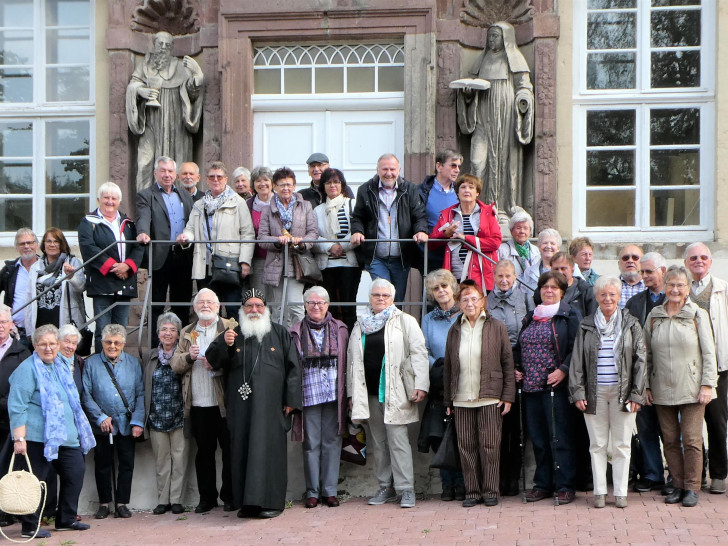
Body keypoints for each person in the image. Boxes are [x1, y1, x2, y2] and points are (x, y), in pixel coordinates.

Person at [206, 288, 302, 519]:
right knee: (241, 451)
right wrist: (223, 345)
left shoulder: (280, 333)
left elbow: (294, 369)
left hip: (271, 408)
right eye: (249, 306)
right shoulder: (232, 335)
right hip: (241, 409)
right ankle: (246, 503)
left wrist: (290, 401)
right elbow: (212, 360)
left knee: (269, 452)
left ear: (266, 309)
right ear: (242, 310)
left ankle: (271, 503)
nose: (254, 310)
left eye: (259, 305)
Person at [347, 279, 429, 509]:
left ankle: (406, 489)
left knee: (398, 440)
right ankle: (386, 486)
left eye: (385, 295)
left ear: (392, 298)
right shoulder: (360, 324)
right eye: (376, 295)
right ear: (370, 298)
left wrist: (420, 384)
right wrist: (352, 393)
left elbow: (419, 353)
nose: (380, 299)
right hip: (369, 393)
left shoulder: (404, 321)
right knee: (379, 442)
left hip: (396, 392)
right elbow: (352, 361)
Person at [8, 324, 94, 538]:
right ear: (35, 345)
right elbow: (17, 405)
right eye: (43, 344)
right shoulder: (27, 369)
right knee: (35, 481)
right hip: (37, 437)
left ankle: (66, 519)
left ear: (58, 344)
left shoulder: (62, 365)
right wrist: (19, 438)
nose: (48, 348)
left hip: (67, 436)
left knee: (75, 473)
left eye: (52, 344)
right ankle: (29, 526)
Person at [570, 276, 646, 509]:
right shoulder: (586, 324)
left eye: (612, 294)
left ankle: (621, 492)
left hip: (622, 392)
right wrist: (578, 392)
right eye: (603, 294)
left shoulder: (631, 324)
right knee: (598, 444)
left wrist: (636, 394)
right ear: (597, 297)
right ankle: (600, 492)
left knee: (622, 444)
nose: (608, 298)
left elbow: (640, 360)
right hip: (595, 392)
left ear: (618, 296)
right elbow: (577, 361)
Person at [644, 265, 717, 507]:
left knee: (693, 439)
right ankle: (676, 484)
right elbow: (646, 354)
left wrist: (707, 384)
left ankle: (692, 487)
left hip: (693, 388)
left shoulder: (697, 315)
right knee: (671, 440)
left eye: (680, 285)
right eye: (671, 284)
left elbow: (709, 353)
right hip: (661, 387)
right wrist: (646, 386)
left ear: (687, 289)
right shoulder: (654, 315)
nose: (675, 289)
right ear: (664, 287)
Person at [443, 279, 515, 507]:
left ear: (483, 301)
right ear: (459, 303)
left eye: (474, 298)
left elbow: (507, 362)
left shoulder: (496, 326)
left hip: (490, 396)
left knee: (490, 445)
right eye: (465, 299)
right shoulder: (454, 329)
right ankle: (472, 492)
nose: (470, 303)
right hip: (462, 397)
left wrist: (508, 396)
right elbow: (448, 367)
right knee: (466, 446)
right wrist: (448, 398)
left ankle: (491, 491)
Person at [514, 271, 581, 505]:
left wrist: (563, 369)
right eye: (545, 287)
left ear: (562, 292)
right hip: (531, 387)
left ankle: (565, 485)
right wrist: (517, 367)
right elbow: (519, 346)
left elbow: (577, 349)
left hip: (556, 387)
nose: (549, 291)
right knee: (539, 439)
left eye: (554, 287)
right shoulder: (530, 317)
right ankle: (543, 484)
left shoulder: (569, 315)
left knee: (559, 438)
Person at [456, 21, 534, 215]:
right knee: (476, 162)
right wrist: (467, 94)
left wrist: (523, 100)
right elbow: (472, 86)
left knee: (503, 163)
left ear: (506, 38)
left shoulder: (514, 59)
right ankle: (476, 209)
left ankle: (501, 211)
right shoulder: (481, 61)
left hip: (505, 119)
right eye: (489, 36)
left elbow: (524, 86)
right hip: (482, 117)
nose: (491, 40)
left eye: (495, 36)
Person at [170, 289, 234, 513]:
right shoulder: (187, 331)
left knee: (229, 452)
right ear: (195, 307)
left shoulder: (229, 327)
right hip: (197, 404)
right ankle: (206, 498)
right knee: (204, 453)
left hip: (223, 403)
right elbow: (175, 363)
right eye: (201, 302)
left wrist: (216, 366)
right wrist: (190, 357)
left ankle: (230, 496)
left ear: (218, 306)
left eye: (210, 302)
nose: (205, 305)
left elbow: (238, 360)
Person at [289, 287, 348, 509]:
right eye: (312, 303)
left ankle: (330, 491)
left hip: (334, 394)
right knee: (311, 444)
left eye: (321, 302)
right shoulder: (294, 331)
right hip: (309, 395)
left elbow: (347, 362)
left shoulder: (341, 329)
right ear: (305, 306)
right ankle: (312, 492)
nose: (316, 306)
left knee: (333, 442)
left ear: (328, 305)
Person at [126, 31, 204, 191]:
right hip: (151, 123)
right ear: (154, 45)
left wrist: (197, 75)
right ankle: (144, 205)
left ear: (172, 48)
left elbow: (192, 92)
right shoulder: (145, 66)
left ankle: (179, 203)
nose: (163, 48)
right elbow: (133, 85)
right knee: (144, 163)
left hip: (176, 124)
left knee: (179, 163)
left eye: (167, 45)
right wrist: (141, 91)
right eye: (160, 44)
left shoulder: (180, 68)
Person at [177, 161, 255, 319]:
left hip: (229, 264)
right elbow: (190, 228)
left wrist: (245, 261)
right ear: (206, 179)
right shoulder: (199, 204)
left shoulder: (238, 203)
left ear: (226, 179)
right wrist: (186, 237)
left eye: (219, 176)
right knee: (208, 311)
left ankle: (234, 344)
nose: (216, 180)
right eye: (212, 177)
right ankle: (213, 343)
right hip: (205, 264)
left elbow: (248, 234)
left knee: (233, 311)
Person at [82, 324, 145, 519]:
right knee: (102, 464)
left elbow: (140, 393)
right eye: (108, 342)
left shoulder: (133, 363)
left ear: (123, 344)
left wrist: (137, 421)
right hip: (103, 425)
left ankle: (122, 503)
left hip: (126, 424)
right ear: (101, 342)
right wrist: (100, 417)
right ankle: (104, 504)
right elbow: (86, 394)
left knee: (127, 464)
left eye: (117, 342)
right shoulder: (91, 363)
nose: (112, 346)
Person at [350, 154, 429, 304]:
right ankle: (381, 327)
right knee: (382, 296)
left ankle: (394, 327)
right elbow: (358, 217)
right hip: (376, 257)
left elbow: (419, 216)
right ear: (377, 170)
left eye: (392, 169)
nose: (388, 173)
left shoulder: (410, 189)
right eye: (384, 169)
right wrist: (357, 231)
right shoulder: (365, 189)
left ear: (399, 170)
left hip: (401, 257)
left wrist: (421, 231)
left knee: (397, 300)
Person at [78, 182, 144, 353]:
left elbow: (138, 247)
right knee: (103, 330)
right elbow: (88, 248)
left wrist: (128, 267)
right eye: (106, 197)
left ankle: (118, 363)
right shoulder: (88, 222)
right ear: (99, 199)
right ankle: (101, 365)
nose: (109, 201)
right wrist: (114, 267)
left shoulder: (128, 223)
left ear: (119, 201)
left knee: (121, 330)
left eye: (113, 198)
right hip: (102, 282)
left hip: (124, 282)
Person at [684, 243, 728, 495]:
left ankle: (719, 474)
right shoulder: (683, 289)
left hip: (719, 366)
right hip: (689, 367)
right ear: (687, 262)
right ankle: (696, 474)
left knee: (716, 421)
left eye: (703, 257)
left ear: (710, 261)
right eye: (693, 258)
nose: (698, 261)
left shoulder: (723, 288)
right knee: (691, 424)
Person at [136, 156, 194, 345]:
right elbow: (143, 217)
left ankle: (182, 346)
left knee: (182, 305)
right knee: (156, 304)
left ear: (175, 174)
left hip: (183, 255)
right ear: (155, 173)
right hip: (160, 255)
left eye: (170, 171)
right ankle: (155, 348)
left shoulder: (185, 195)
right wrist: (143, 232)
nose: (167, 175)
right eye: (163, 171)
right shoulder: (146, 195)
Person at [418, 270, 465, 501]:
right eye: (436, 288)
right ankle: (448, 485)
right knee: (441, 435)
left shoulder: (464, 313)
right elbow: (423, 350)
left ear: (453, 287)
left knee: (463, 435)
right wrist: (438, 367)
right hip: (438, 380)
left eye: (445, 286)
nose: (441, 291)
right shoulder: (427, 319)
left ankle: (464, 482)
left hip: (464, 379)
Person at [486, 260, 531, 496]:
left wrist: (519, 366)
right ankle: (498, 477)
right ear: (494, 276)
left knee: (518, 428)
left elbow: (529, 333)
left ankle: (513, 477)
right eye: (500, 276)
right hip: (494, 364)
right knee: (498, 427)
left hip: (519, 362)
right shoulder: (487, 300)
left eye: (508, 276)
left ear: (515, 277)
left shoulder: (525, 299)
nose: (504, 281)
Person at [625, 252, 668, 493]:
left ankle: (677, 475)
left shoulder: (675, 298)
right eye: (642, 272)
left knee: (672, 430)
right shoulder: (635, 303)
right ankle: (653, 474)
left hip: (668, 374)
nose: (644, 276)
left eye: (649, 272)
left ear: (662, 271)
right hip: (641, 375)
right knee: (646, 427)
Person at [258, 167, 319, 327]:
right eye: (281, 185)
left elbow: (313, 233)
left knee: (296, 307)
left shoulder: (305, 206)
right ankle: (279, 346)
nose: (286, 188)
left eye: (289, 184)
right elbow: (262, 238)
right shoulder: (267, 209)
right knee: (277, 310)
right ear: (274, 187)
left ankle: (298, 344)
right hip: (275, 265)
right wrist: (278, 240)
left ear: (294, 186)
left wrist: (302, 241)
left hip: (296, 264)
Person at [142, 313, 186, 515]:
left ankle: (176, 499)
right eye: (164, 329)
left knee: (179, 459)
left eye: (172, 330)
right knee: (161, 460)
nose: (167, 333)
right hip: (156, 415)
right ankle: (163, 500)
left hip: (179, 415)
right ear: (158, 333)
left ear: (178, 334)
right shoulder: (149, 357)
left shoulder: (182, 355)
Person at [429, 174, 501, 292]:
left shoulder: (487, 213)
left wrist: (466, 239)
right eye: (463, 187)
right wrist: (445, 234)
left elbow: (495, 242)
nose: (467, 190)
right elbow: (432, 243)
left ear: (477, 192)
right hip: (454, 272)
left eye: (471, 187)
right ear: (457, 192)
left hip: (481, 273)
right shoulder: (447, 214)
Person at [312, 168, 360, 331]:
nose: (332, 185)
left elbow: (358, 230)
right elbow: (313, 236)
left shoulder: (352, 204)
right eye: (328, 182)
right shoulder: (317, 210)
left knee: (348, 307)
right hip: (327, 266)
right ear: (323, 186)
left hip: (349, 264)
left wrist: (343, 246)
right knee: (329, 308)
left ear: (342, 185)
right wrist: (330, 247)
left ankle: (350, 345)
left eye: (336, 182)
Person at [24, 227, 85, 339]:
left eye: (56, 241)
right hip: (41, 321)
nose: (52, 245)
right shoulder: (36, 267)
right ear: (43, 245)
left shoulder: (72, 262)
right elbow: (29, 299)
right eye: (49, 241)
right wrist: (29, 329)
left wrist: (71, 276)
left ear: (62, 244)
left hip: (63, 320)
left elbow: (81, 287)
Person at [0, 304, 30, 527]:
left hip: (11, 420)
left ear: (11, 325)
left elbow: (26, 386)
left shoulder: (22, 353)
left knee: (8, 467)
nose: (0, 327)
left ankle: (7, 511)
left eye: (3, 322)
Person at [419, 150, 463, 270]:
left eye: (459, 166)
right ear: (439, 166)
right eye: (453, 165)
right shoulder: (420, 191)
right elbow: (416, 219)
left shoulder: (462, 192)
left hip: (456, 252)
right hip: (430, 252)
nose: (457, 170)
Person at [0, 228, 40, 348]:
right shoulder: (10, 269)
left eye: (30, 242)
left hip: (42, 332)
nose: (26, 246)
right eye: (22, 243)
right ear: (16, 248)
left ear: (36, 245)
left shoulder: (46, 267)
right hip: (17, 332)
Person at [246, 166, 274, 296]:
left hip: (277, 257)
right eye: (258, 181)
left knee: (276, 298)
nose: (262, 184)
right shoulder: (247, 205)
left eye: (266, 180)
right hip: (257, 258)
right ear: (253, 185)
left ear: (272, 183)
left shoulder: (280, 202)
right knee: (259, 296)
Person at [549, 252, 597, 320]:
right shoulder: (544, 292)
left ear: (572, 269)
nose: (560, 272)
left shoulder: (586, 291)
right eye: (556, 269)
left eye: (563, 268)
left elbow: (592, 319)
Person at [497, 209, 540, 281]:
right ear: (511, 230)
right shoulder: (502, 250)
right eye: (518, 228)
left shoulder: (536, 251)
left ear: (530, 231)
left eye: (525, 228)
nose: (522, 231)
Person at [521, 228, 562, 299]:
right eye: (545, 243)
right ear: (539, 247)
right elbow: (523, 296)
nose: (548, 246)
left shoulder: (568, 269)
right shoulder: (529, 272)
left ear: (558, 248)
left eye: (552, 243)